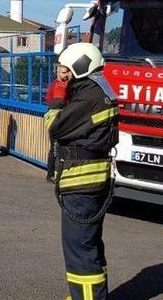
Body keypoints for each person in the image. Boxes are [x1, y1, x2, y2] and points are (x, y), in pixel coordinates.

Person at [44, 43, 118, 300]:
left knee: (80, 249)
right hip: (92, 179)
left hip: (81, 182)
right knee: (90, 244)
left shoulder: (88, 97)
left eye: (66, 70)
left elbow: (55, 126)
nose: (62, 75)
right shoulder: (98, 91)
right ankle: (92, 296)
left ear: (80, 67)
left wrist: (57, 100)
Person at [45, 64, 72, 182]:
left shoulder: (55, 84)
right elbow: (60, 102)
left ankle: (52, 173)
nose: (66, 75)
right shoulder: (59, 86)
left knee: (56, 147)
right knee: (56, 147)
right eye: (64, 72)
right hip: (57, 120)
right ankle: (52, 174)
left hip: (57, 119)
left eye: (67, 72)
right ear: (58, 73)